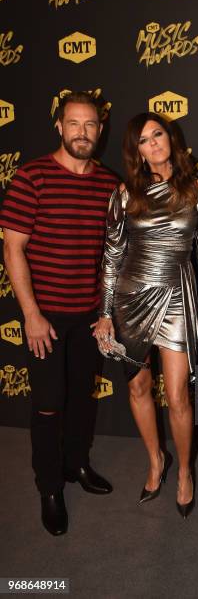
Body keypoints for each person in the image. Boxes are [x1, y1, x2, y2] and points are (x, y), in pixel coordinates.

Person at [0, 91, 117, 536]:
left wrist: (105, 313)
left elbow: (110, 255)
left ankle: (77, 466)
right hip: (45, 316)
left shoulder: (109, 184)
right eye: (74, 124)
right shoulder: (32, 177)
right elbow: (13, 249)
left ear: (99, 130)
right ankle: (49, 488)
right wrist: (30, 314)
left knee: (82, 399)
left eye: (90, 125)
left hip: (89, 316)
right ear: (60, 127)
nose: (82, 132)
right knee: (49, 405)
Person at [93, 112, 198, 518]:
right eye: (143, 141)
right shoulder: (125, 194)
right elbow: (111, 257)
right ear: (137, 152)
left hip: (179, 297)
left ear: (171, 138)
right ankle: (154, 461)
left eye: (158, 135)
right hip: (131, 299)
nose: (153, 144)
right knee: (137, 387)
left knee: (179, 395)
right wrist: (106, 312)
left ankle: (183, 471)